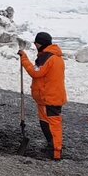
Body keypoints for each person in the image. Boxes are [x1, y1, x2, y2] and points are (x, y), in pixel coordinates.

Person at [19, 32, 67, 160]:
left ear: (40, 44)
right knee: (45, 123)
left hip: (50, 98)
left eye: (36, 43)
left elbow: (36, 73)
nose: (35, 46)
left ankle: (56, 152)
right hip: (46, 98)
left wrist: (24, 58)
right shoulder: (54, 57)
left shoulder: (48, 57)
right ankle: (51, 146)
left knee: (53, 125)